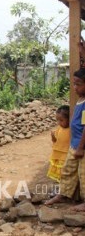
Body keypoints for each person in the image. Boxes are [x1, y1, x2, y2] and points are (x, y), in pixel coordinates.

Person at [45, 68, 85, 210]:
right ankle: (63, 194)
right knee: (67, 171)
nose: (75, 87)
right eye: (74, 83)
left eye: (78, 84)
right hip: (74, 145)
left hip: (82, 147)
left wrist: (81, 148)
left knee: (83, 175)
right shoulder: (80, 100)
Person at [47, 105, 71, 182]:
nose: (59, 122)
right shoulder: (59, 129)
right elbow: (55, 141)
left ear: (69, 119)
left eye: (61, 120)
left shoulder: (71, 130)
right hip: (58, 155)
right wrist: (53, 136)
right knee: (59, 174)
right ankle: (61, 188)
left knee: (66, 174)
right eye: (57, 120)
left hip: (66, 155)